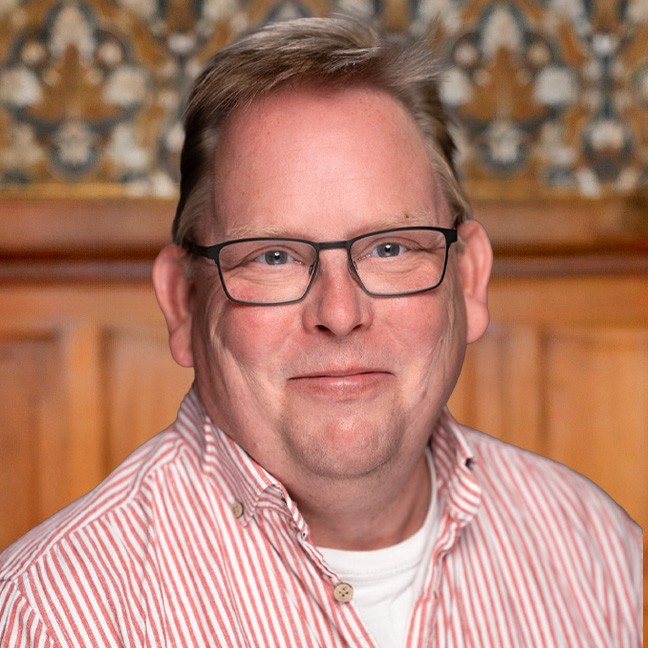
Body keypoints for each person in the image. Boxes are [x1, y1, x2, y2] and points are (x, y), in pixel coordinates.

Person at [0, 16, 641, 648]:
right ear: (182, 302)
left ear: (469, 280)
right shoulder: (50, 619)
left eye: (390, 248)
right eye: (273, 256)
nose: (339, 312)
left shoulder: (594, 549)